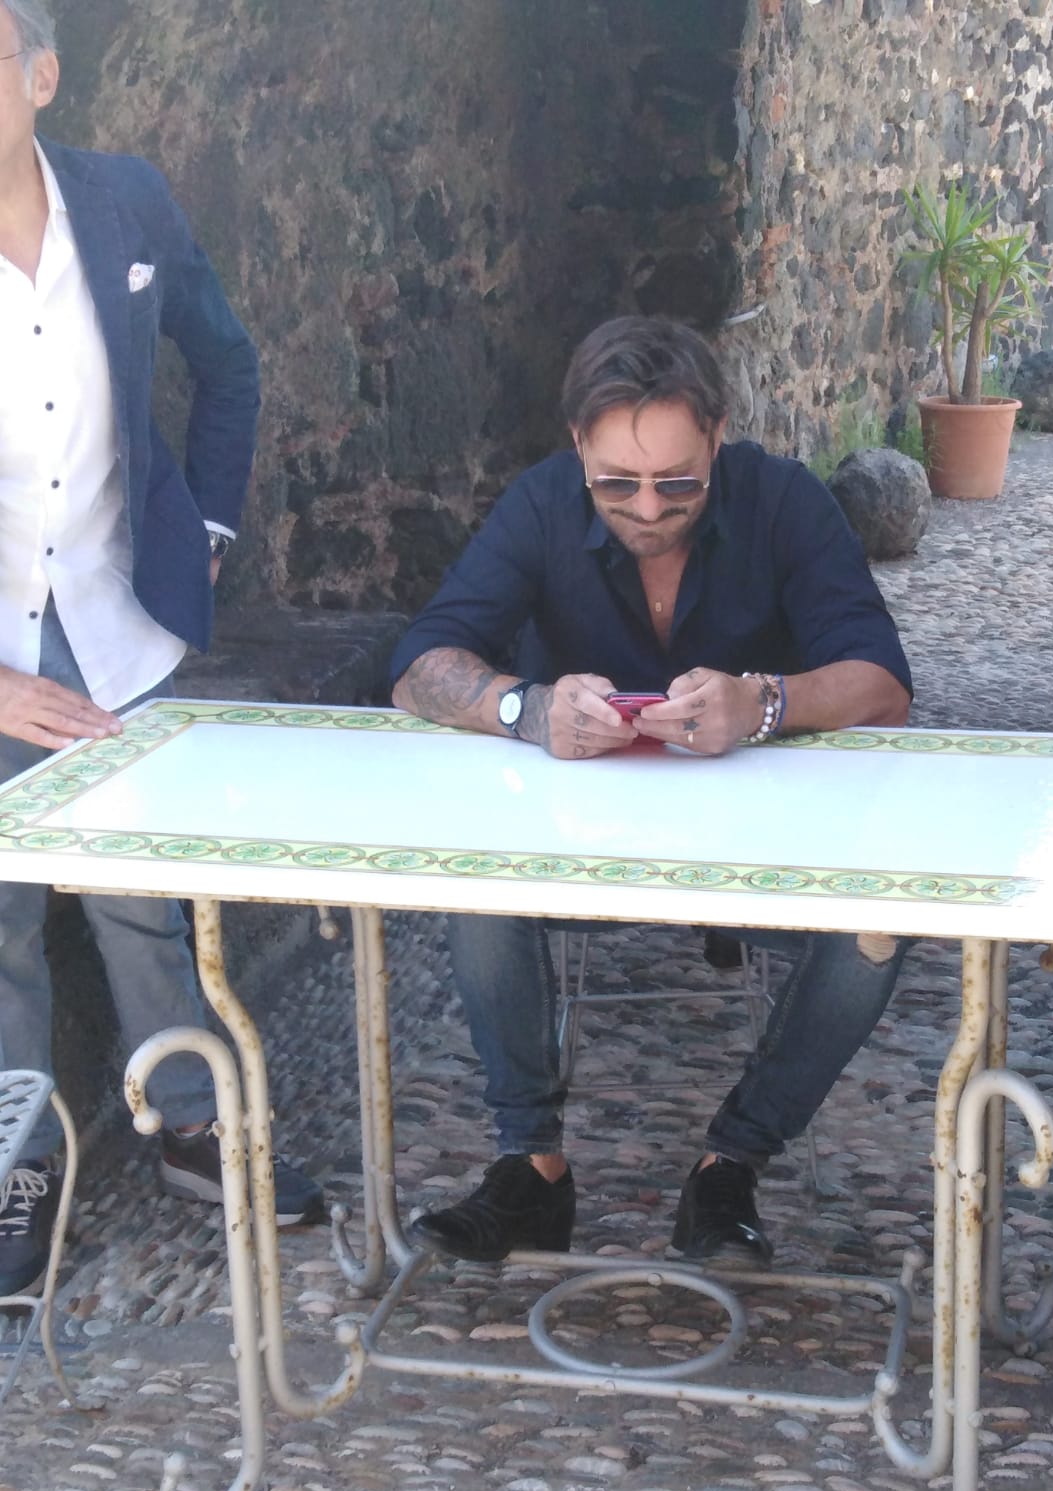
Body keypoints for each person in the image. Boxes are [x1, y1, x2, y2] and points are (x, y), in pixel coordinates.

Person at [390, 313, 913, 1265]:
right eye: (615, 483)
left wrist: (764, 703)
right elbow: (419, 664)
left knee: (880, 924)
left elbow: (882, 682)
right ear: (578, 446)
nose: (645, 508)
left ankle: (731, 1164)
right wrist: (525, 708)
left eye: (678, 482)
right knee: (473, 878)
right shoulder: (543, 504)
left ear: (718, 437)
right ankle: (530, 1167)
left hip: (763, 833)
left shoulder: (784, 501)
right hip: (574, 831)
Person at [0, 1, 323, 1298]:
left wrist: (209, 525)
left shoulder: (124, 203)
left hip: (116, 626)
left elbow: (227, 362)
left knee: (143, 894)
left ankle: (188, 1125)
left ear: (42, 75)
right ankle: (16, 1168)